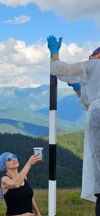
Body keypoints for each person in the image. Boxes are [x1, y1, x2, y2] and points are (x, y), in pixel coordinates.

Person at [48, 36, 100, 215]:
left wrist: (54, 53)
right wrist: (78, 88)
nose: (90, 58)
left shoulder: (94, 65)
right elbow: (88, 102)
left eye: (92, 55)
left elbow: (60, 69)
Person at [0, 151, 41, 216]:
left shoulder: (24, 177)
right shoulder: (5, 179)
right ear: (4, 165)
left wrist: (38, 213)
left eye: (14, 156)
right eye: (9, 159)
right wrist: (29, 163)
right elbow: (16, 184)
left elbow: (29, 197)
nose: (14, 159)